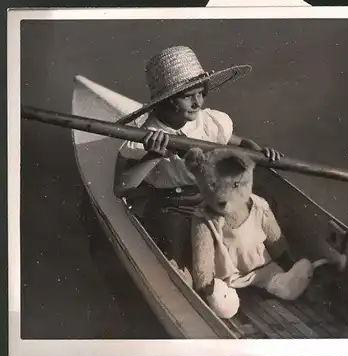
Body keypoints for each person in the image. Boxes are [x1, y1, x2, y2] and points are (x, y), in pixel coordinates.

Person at [113, 46, 283, 285]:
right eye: (188, 96)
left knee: (253, 214)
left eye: (201, 93)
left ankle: (275, 269)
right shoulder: (146, 133)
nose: (197, 102)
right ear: (169, 100)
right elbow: (120, 188)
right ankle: (201, 288)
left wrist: (260, 151)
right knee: (179, 259)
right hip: (172, 204)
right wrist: (152, 156)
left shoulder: (209, 121)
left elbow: (241, 142)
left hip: (211, 195)